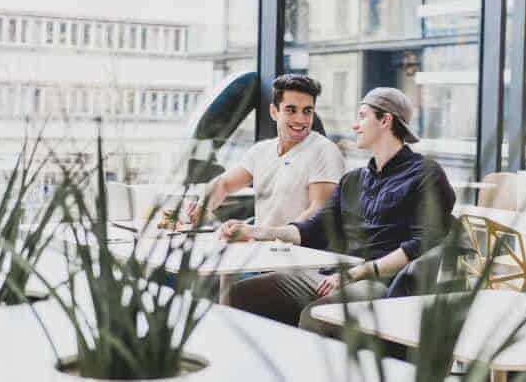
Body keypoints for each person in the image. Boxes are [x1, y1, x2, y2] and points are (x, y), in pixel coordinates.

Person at [221, 87, 458, 337]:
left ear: (385, 120)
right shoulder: (352, 180)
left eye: (363, 116)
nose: (355, 126)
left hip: (381, 283)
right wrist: (255, 231)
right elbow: (313, 230)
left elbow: (422, 244)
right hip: (333, 275)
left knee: (317, 315)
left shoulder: (426, 174)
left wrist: (357, 273)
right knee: (241, 294)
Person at [162, 74, 344, 231]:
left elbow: (317, 213)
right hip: (262, 250)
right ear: (274, 112)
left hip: (299, 256)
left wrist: (259, 234)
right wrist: (201, 208)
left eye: (307, 111)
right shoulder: (261, 151)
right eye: (291, 110)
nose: (301, 119)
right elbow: (224, 184)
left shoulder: (324, 151)